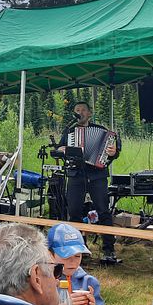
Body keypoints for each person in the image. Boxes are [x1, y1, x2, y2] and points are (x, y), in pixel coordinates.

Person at [59, 101, 121, 264]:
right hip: (76, 174)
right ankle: (78, 248)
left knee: (103, 211)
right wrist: (63, 149)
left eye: (83, 110)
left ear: (89, 113)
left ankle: (109, 250)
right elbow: (59, 148)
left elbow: (113, 152)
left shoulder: (101, 131)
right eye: (77, 110)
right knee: (74, 211)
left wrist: (113, 152)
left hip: (97, 175)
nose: (79, 112)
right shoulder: (69, 131)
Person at [48, 222, 110, 305]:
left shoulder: (89, 282)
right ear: (50, 254)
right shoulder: (43, 282)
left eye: (77, 256)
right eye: (66, 256)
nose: (72, 262)